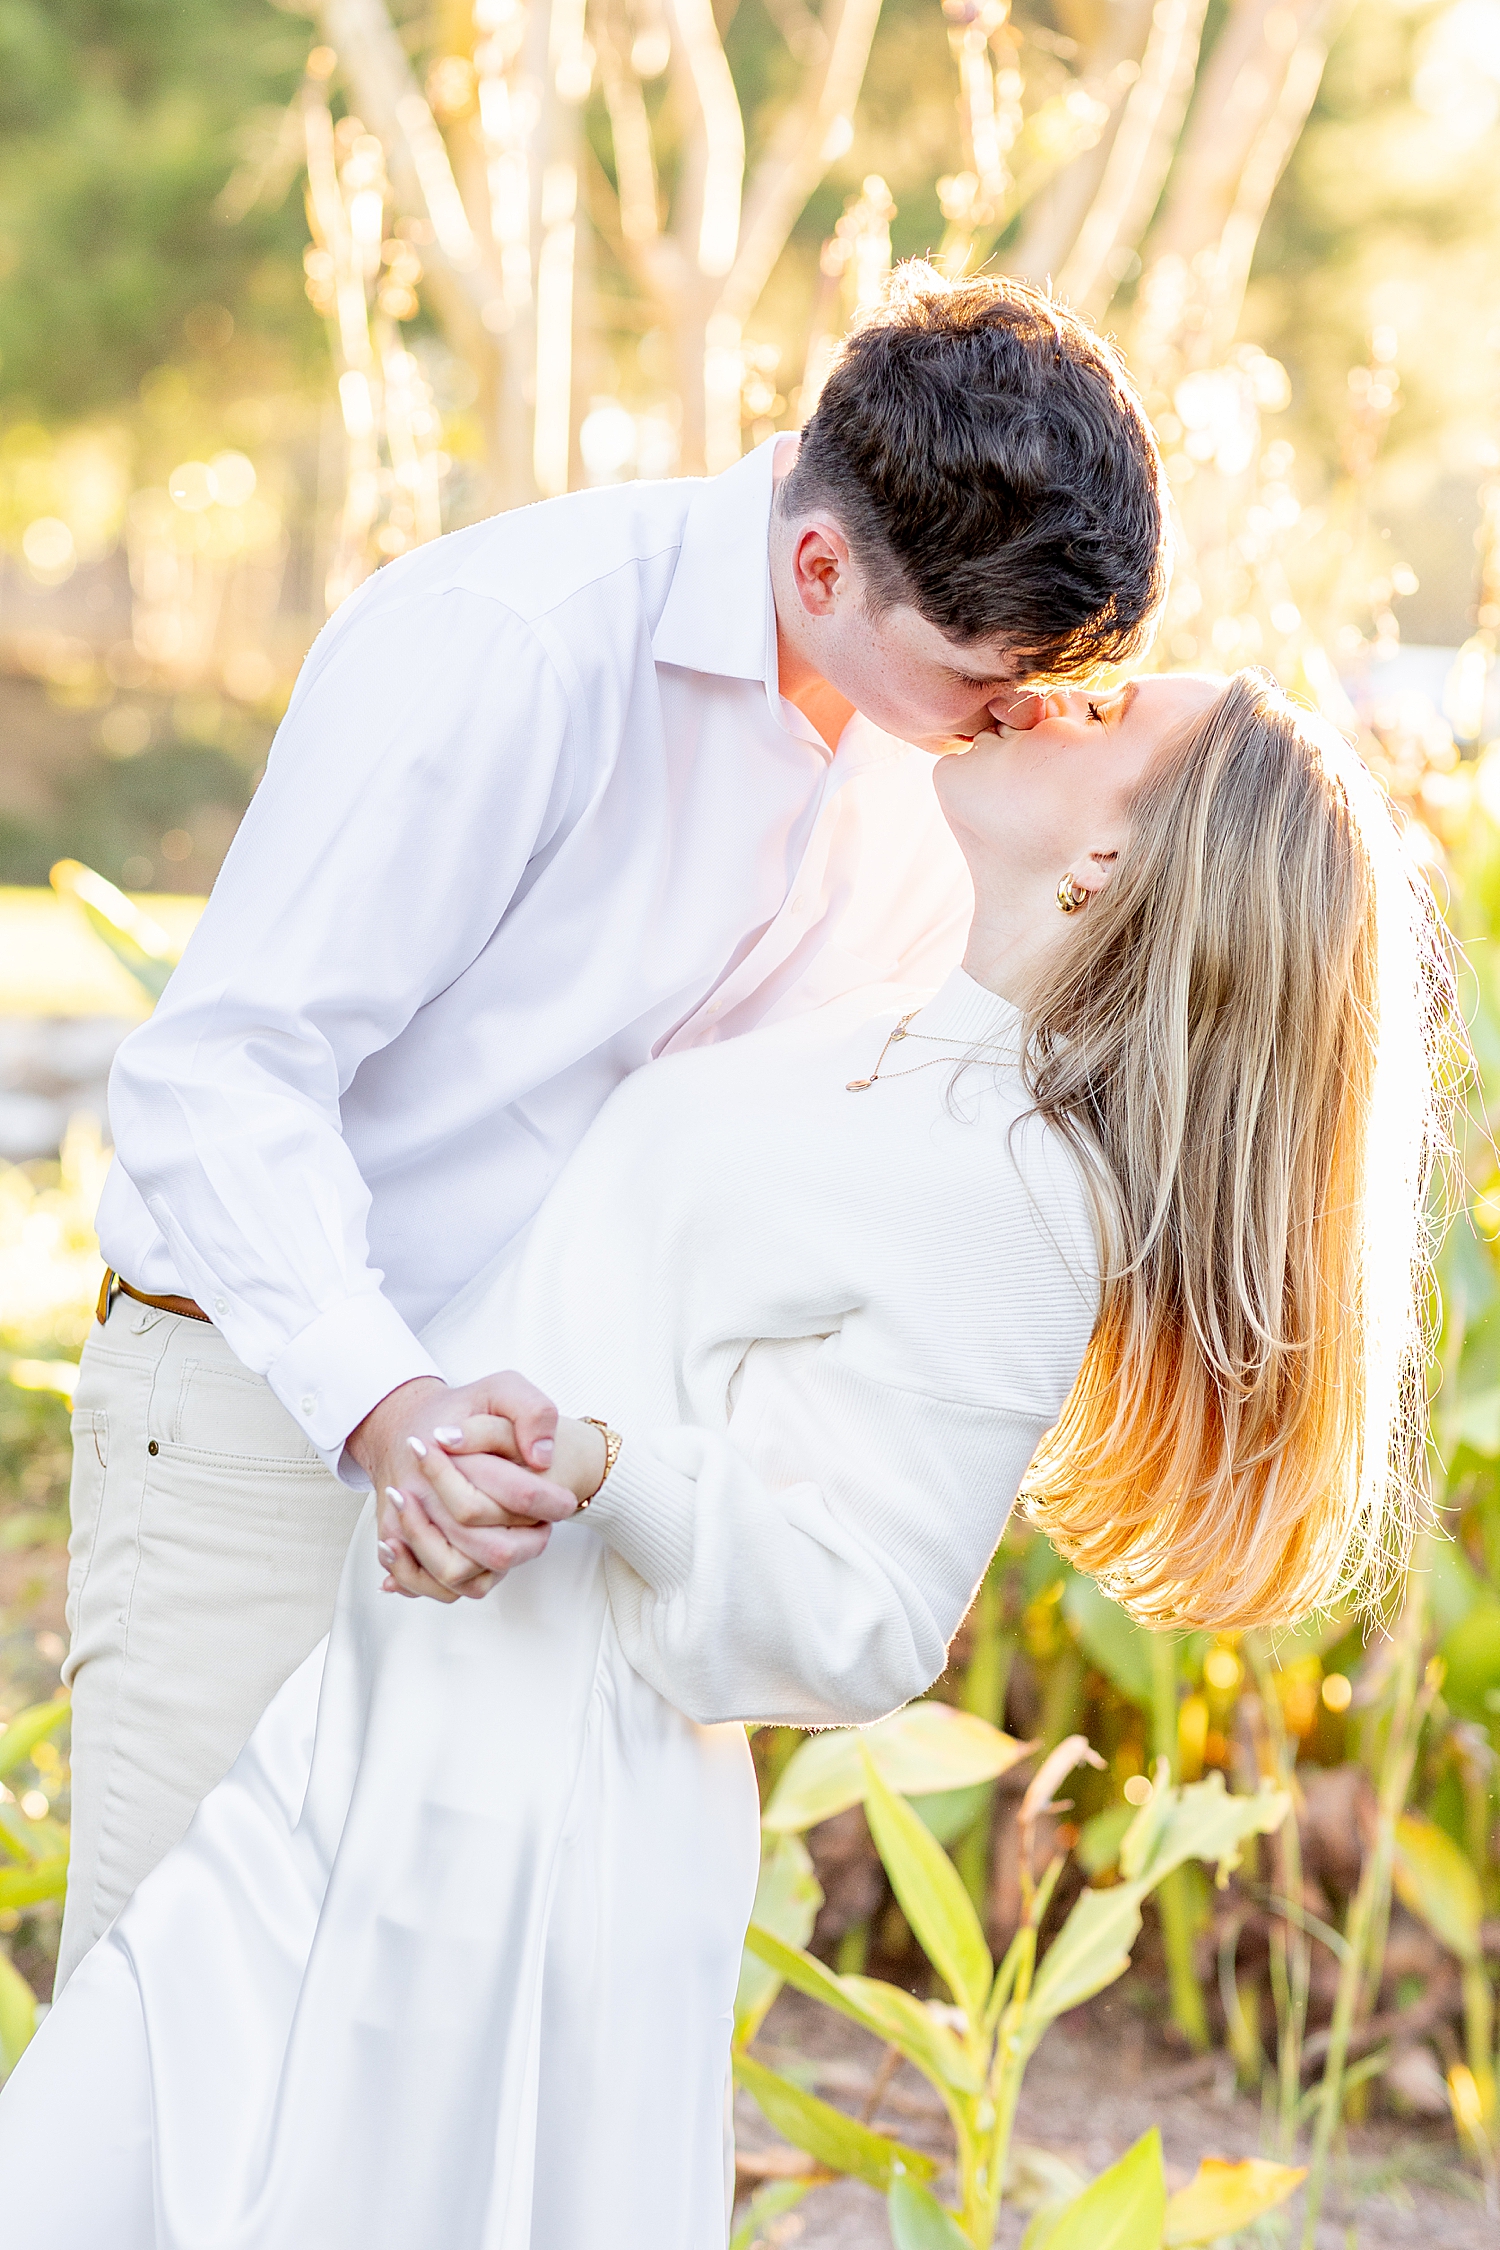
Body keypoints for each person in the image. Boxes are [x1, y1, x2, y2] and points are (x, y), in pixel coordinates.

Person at [2, 669, 1450, 2247]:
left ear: (1107, 865)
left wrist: (607, 1468)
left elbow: (869, 1618)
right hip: (385, 1721)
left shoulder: (1023, 1190)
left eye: (1104, 717)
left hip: (530, 1823)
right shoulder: (889, 1023)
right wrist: (446, 1456)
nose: (1040, 701)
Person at [56, 266, 1170, 1989]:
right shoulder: (512, 642)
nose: (1015, 713)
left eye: (1049, 685)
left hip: (548, 1503)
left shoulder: (925, 754)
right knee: (172, 2040)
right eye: (982, 674)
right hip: (267, 1426)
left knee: (406, 2090)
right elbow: (224, 1074)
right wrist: (387, 1404)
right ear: (820, 567)